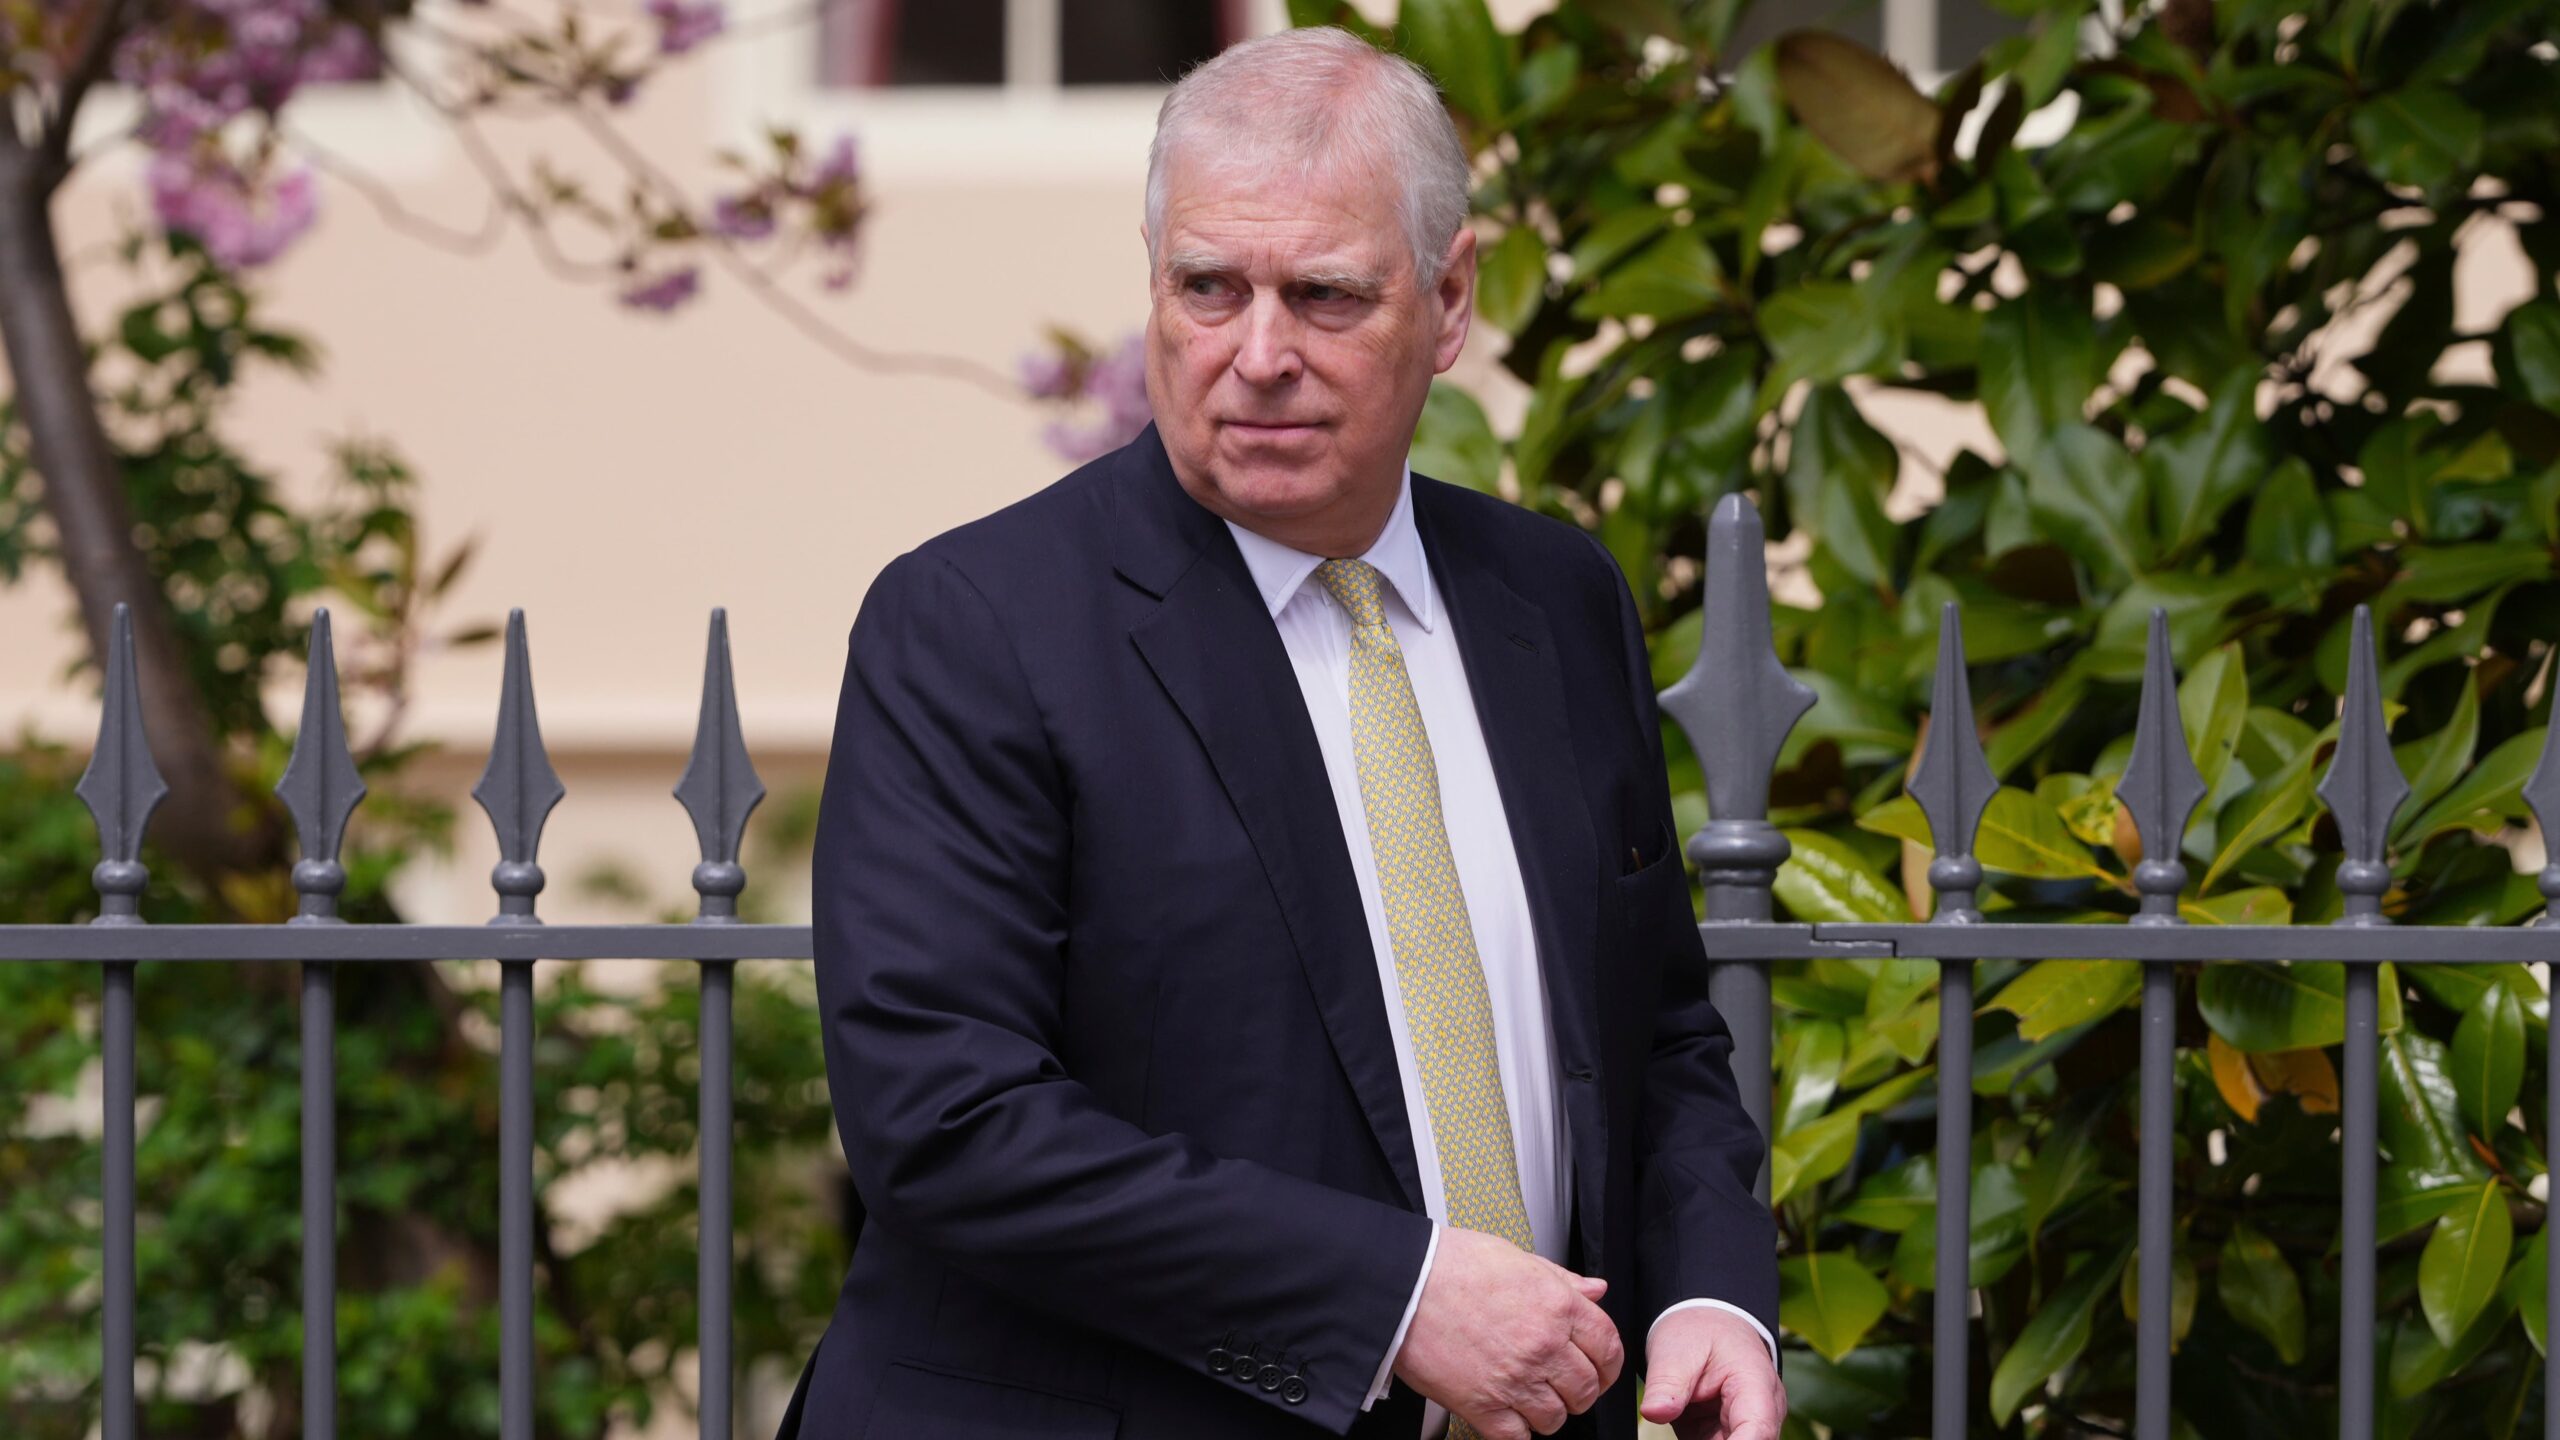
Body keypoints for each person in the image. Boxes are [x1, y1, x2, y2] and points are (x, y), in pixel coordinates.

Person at [780, 25, 1780, 1440]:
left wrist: (1711, 1295)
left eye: (1322, 296)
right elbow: (948, 1122)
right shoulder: (975, 625)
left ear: (1449, 298)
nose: (1257, 355)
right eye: (1208, 288)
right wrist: (1400, 1298)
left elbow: (1661, 1031)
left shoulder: (1555, 602)